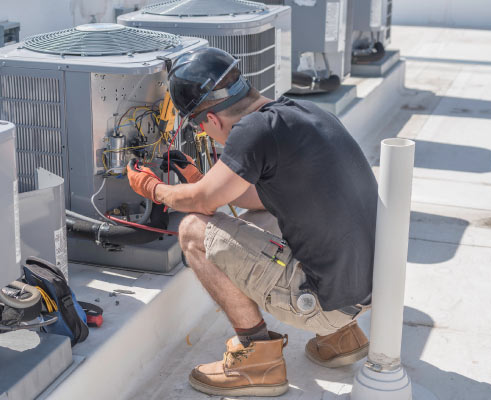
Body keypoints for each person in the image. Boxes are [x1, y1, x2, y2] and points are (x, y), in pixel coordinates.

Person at [127, 47, 377, 397]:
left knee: (194, 232)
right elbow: (263, 197)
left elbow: (201, 204)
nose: (204, 134)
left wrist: (155, 189)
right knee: (263, 214)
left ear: (211, 120)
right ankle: (341, 336)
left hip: (324, 304)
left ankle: (257, 360)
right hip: (364, 294)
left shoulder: (252, 132)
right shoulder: (300, 112)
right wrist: (203, 181)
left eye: (199, 128)